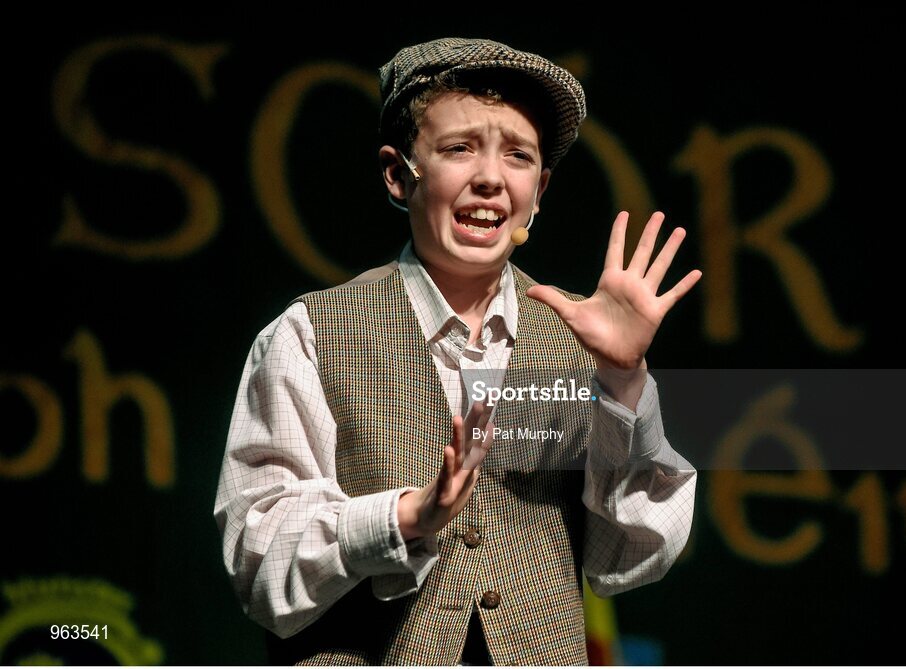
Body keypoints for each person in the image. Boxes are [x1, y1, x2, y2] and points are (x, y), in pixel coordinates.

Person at [214, 37, 701, 666]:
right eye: (458, 149)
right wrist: (405, 517)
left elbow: (635, 552)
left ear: (540, 189)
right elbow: (259, 558)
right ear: (398, 174)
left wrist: (624, 379)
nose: (491, 178)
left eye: (518, 157)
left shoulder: (583, 342)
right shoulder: (314, 335)